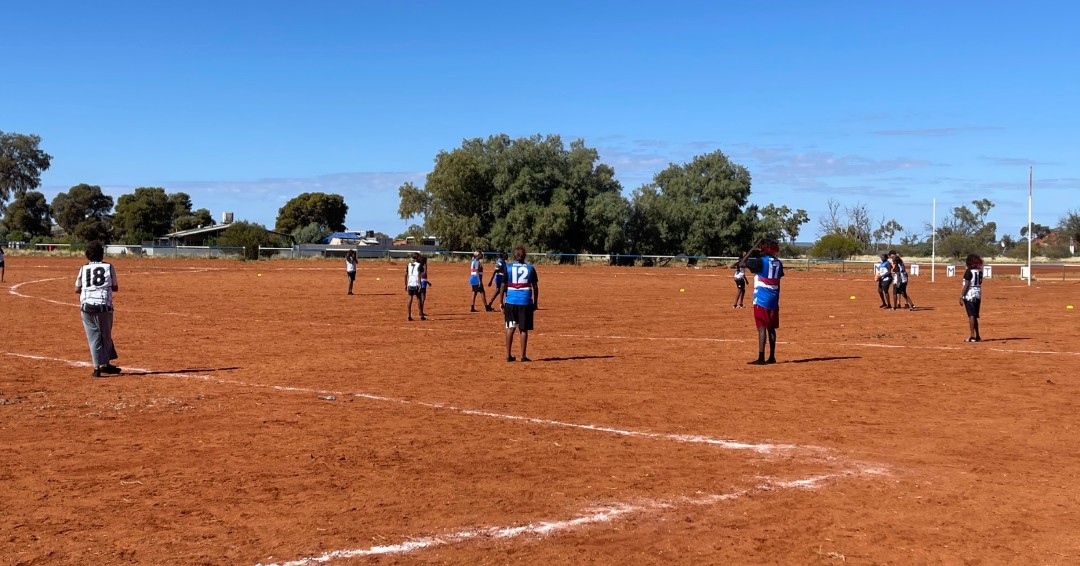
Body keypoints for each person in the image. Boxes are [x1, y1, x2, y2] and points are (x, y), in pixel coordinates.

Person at [75, 241, 120, 378]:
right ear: (102, 254)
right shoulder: (108, 266)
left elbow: (77, 288)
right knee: (105, 335)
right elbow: (115, 287)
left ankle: (98, 366)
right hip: (103, 306)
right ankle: (102, 365)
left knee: (93, 337)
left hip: (86, 307)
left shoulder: (83, 268)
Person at [744, 239, 783, 365]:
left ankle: (761, 357)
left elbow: (741, 263)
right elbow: (778, 281)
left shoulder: (760, 262)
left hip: (761, 298)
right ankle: (772, 356)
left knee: (761, 328)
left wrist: (750, 253)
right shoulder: (778, 263)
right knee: (771, 328)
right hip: (774, 298)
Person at [503, 245, 539, 362]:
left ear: (514, 255)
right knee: (523, 329)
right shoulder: (530, 268)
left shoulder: (508, 267)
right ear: (524, 255)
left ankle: (508, 355)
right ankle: (523, 356)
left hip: (511, 301)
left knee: (510, 328)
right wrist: (535, 302)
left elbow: (503, 285)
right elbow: (535, 286)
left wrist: (501, 302)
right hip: (525, 301)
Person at [960, 253, 984, 342]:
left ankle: (972, 336)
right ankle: (977, 335)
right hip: (978, 294)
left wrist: (961, 296)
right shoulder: (979, 272)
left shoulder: (969, 271)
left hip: (970, 294)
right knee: (975, 316)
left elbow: (967, 285)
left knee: (971, 316)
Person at [405, 252, 426, 321]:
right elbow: (419, 275)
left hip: (410, 283)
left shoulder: (409, 265)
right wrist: (419, 284)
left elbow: (406, 275)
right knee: (419, 299)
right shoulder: (419, 265)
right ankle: (421, 315)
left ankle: (409, 315)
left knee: (409, 298)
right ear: (417, 258)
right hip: (416, 283)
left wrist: (405, 284)